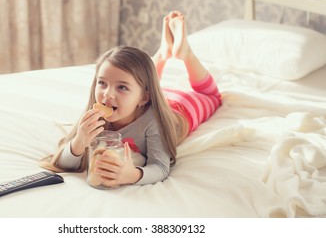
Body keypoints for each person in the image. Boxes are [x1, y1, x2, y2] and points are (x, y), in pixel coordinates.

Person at [40, 11, 221, 186]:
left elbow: (160, 167)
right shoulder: (97, 114)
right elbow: (63, 163)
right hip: (145, 97)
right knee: (139, 84)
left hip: (185, 105)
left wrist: (132, 175)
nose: (107, 94)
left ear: (145, 99)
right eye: (102, 83)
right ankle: (163, 53)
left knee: (212, 95)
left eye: (121, 87)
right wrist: (79, 142)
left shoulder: (153, 122)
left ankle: (186, 54)